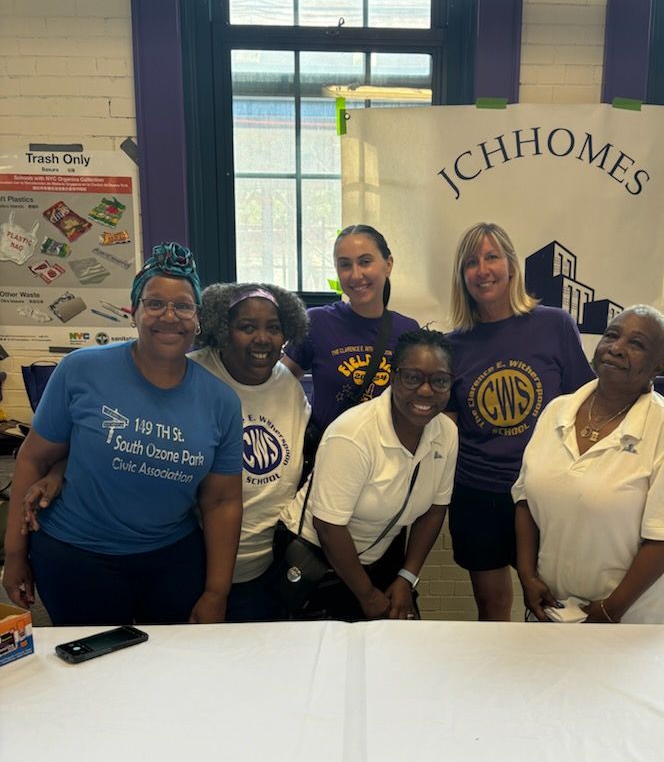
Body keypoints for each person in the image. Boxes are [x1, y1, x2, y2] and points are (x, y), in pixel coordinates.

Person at [2, 242, 243, 626]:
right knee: (90, 671)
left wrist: (217, 592)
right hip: (75, 555)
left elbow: (222, 502)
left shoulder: (221, 402)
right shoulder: (82, 370)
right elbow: (34, 457)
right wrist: (15, 554)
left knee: (166, 671)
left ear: (196, 318)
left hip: (171, 559)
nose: (169, 316)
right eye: (154, 303)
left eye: (183, 305)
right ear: (134, 311)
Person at [513, 306, 664, 624]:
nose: (616, 348)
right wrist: (527, 576)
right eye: (612, 336)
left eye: (636, 344)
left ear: (659, 366)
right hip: (557, 610)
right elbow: (524, 499)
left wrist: (610, 610)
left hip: (635, 623)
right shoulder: (556, 412)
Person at [447, 222, 594, 622]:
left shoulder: (555, 324)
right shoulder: (453, 345)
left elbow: (582, 405)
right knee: (493, 609)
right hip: (478, 492)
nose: (483, 269)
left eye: (492, 257)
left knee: (555, 604)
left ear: (512, 266)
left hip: (543, 489)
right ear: (463, 277)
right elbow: (448, 425)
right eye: (471, 262)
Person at [279, 328, 458, 621]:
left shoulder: (446, 433)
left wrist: (406, 577)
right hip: (318, 559)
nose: (426, 391)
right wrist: (368, 595)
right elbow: (328, 526)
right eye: (412, 377)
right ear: (393, 375)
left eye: (439, 381)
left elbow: (436, 510)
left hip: (379, 560)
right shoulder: (353, 434)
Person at [189, 282, 310, 621]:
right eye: (247, 327)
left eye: (273, 328)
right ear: (222, 330)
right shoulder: (193, 374)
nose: (262, 338)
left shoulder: (287, 382)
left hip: (267, 568)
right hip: (195, 564)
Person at [282, 224, 419, 434]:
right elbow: (277, 383)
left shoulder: (407, 330)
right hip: (329, 456)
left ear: (388, 264)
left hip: (388, 458)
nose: (356, 275)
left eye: (365, 262)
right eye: (345, 265)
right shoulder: (317, 323)